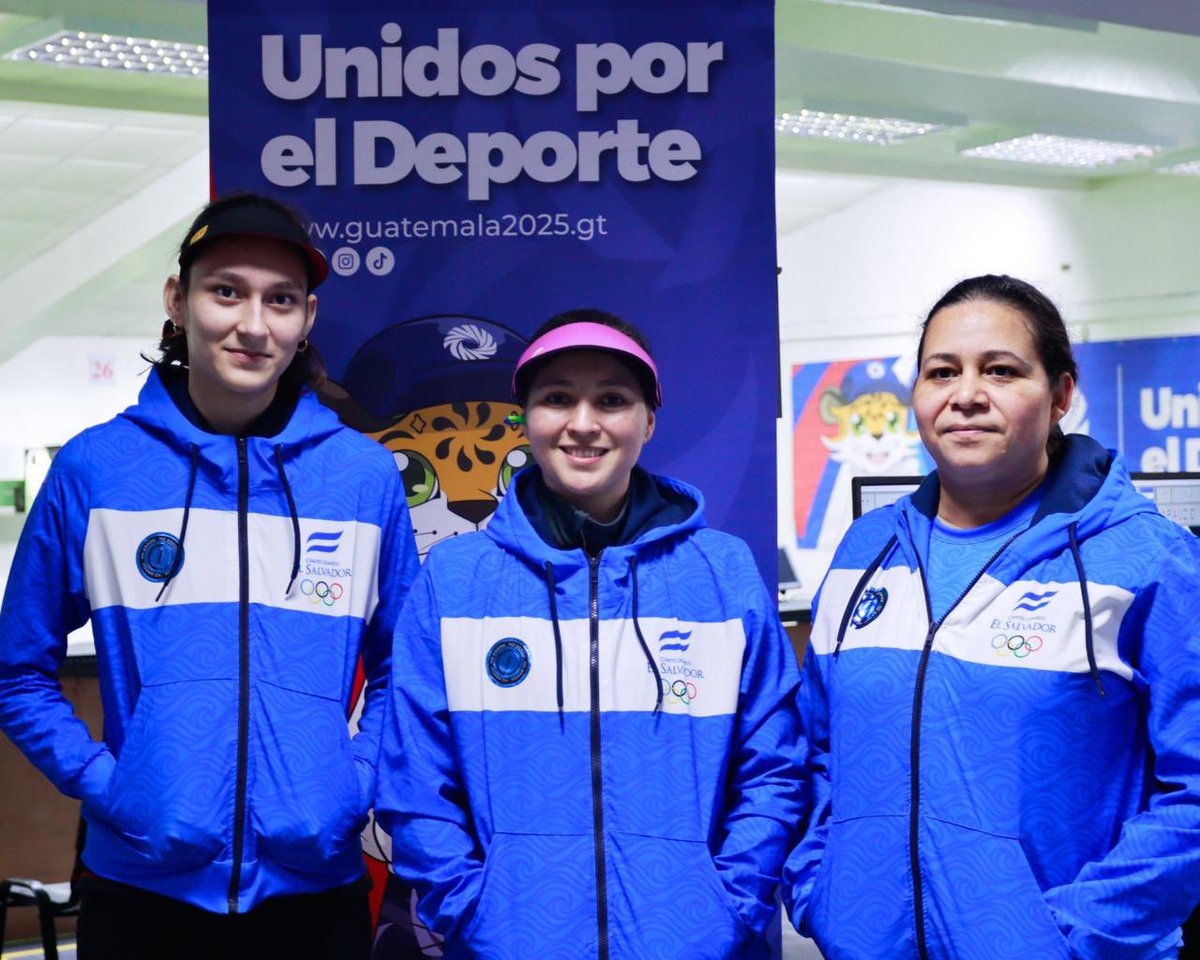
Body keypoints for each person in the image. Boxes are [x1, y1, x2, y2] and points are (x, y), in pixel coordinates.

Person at [0, 193, 419, 958]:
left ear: (308, 321)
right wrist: (110, 786)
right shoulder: (96, 469)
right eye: (227, 290)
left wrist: (351, 784)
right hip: (141, 890)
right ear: (178, 301)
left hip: (314, 890)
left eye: (280, 300)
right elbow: (17, 672)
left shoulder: (361, 476)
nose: (253, 324)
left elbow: (411, 670)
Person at [784, 274, 1200, 960]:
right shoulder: (867, 550)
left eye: (1001, 370)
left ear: (1062, 395)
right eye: (941, 371)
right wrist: (822, 893)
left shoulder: (1149, 561)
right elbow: (818, 746)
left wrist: (1062, 939)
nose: (966, 394)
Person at [375, 309, 805, 959]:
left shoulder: (722, 571)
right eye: (557, 398)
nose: (583, 423)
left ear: (649, 420)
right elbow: (414, 777)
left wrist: (728, 906)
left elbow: (773, 764)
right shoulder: (456, 580)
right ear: (524, 420)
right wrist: (471, 911)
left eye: (611, 399)